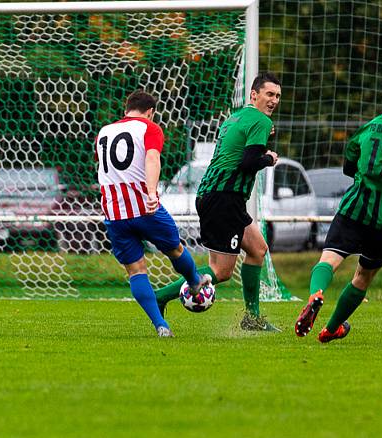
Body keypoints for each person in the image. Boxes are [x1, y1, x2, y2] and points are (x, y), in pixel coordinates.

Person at [294, 70, 382, 342]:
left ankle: (316, 294)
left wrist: (359, 173)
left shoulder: (369, 128)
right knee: (363, 276)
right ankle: (331, 328)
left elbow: (349, 160)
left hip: (356, 207)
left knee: (329, 259)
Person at [154, 72, 282, 332]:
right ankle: (160, 296)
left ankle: (252, 318)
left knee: (258, 250)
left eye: (278, 96)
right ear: (253, 95)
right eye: (269, 94)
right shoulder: (258, 120)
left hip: (219, 196)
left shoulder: (234, 118)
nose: (274, 100)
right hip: (224, 198)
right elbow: (248, 163)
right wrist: (269, 158)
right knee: (221, 271)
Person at [96, 90, 210, 337]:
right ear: (150, 112)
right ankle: (194, 281)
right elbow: (152, 158)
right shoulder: (149, 127)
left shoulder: (104, 131)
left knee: (136, 271)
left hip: (114, 213)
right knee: (175, 249)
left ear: (126, 109)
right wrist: (150, 193)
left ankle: (161, 326)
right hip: (144, 207)